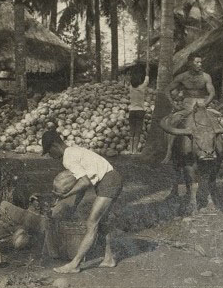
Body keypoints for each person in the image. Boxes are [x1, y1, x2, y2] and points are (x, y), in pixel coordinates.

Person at [41, 128, 123, 274]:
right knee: (101, 222)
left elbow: (84, 182)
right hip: (111, 179)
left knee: (91, 223)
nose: (51, 156)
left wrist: (66, 196)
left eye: (49, 152)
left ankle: (75, 264)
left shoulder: (68, 158)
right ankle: (109, 259)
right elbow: (83, 184)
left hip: (109, 181)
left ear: (54, 145)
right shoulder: (73, 150)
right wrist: (74, 204)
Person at [161, 55, 217, 165]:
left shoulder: (206, 77)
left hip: (203, 106)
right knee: (173, 121)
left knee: (221, 120)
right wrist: (174, 105)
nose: (200, 65)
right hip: (187, 107)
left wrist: (205, 103)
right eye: (197, 62)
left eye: (200, 62)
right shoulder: (182, 77)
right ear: (190, 63)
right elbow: (167, 90)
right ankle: (168, 152)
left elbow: (212, 93)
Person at [128, 67, 153, 154]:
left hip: (132, 111)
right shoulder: (142, 88)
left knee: (132, 132)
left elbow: (130, 80)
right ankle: (134, 151)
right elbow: (146, 81)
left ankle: (130, 150)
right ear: (139, 81)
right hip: (140, 111)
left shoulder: (131, 88)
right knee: (138, 131)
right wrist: (147, 73)